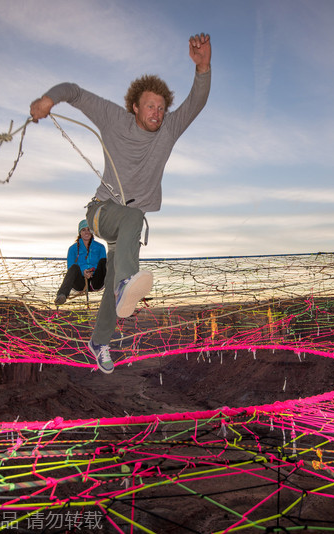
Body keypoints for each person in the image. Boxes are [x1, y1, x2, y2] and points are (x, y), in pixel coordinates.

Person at [30, 33, 211, 374]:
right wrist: (48, 100)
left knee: (117, 291)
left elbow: (196, 103)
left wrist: (202, 67)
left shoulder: (169, 129)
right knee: (130, 221)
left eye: (161, 107)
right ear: (135, 107)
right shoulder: (114, 118)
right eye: (150, 106)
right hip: (102, 212)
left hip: (125, 231)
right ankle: (126, 283)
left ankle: (99, 341)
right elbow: (75, 92)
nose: (156, 113)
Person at [55, 219, 107, 306]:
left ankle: (115, 292)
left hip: (96, 281)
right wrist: (83, 272)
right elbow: (70, 267)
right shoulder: (72, 249)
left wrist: (92, 272)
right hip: (80, 283)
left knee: (104, 261)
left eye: (89, 229)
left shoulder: (100, 247)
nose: (86, 232)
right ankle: (61, 295)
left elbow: (103, 267)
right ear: (80, 232)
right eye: (83, 230)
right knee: (74, 267)